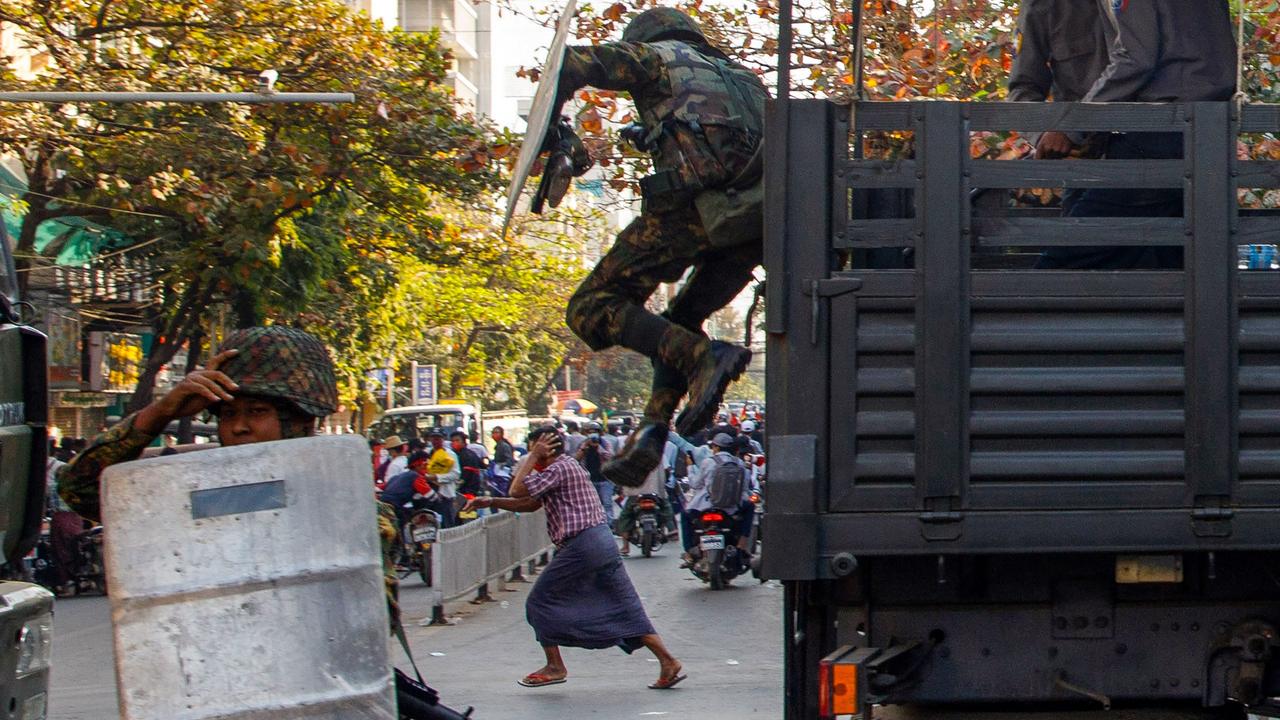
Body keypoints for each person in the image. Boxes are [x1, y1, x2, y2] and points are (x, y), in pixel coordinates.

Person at [55, 328, 410, 697]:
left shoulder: (351, 510)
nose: (238, 427)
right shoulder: (188, 497)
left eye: (257, 412)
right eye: (227, 413)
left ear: (303, 421)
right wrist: (161, 412)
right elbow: (79, 490)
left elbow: (365, 627)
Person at [558, 7, 769, 487]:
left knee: (590, 306)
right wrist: (646, 134)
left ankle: (701, 357)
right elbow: (723, 135)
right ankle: (653, 430)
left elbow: (573, 64)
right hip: (754, 225)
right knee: (674, 324)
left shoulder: (653, 59)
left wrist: (557, 129)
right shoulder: (746, 80)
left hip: (694, 213)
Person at [462, 426, 685, 690]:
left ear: (545, 450)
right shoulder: (564, 468)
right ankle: (668, 661)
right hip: (599, 542)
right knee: (625, 607)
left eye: (535, 451)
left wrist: (532, 456)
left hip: (582, 543)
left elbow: (517, 491)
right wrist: (489, 502)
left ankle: (555, 665)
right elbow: (531, 503)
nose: (531, 461)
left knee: (540, 601)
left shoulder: (559, 467)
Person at [1037, 0, 1236, 269]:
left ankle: (1015, 310)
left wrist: (1071, 126)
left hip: (1159, 133)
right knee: (1172, 263)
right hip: (1211, 134)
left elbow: (1135, 58)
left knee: (1068, 255)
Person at [1007, 0, 1113, 159]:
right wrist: (1046, 134)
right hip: (1083, 154)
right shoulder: (1045, 6)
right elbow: (1022, 89)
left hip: (1148, 140)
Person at [616, 462, 676, 557]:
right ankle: (671, 529)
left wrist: (623, 490)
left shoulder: (631, 458)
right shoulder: (657, 457)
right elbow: (665, 473)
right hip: (656, 492)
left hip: (635, 493)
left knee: (625, 516)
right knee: (667, 509)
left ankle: (625, 546)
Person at [575, 424, 615, 524]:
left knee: (607, 503)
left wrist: (599, 448)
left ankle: (609, 525)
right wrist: (585, 447)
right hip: (589, 479)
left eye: (595, 432)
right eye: (590, 432)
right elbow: (575, 459)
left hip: (605, 479)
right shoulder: (583, 444)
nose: (592, 434)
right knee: (590, 503)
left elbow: (611, 457)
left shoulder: (605, 443)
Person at [423, 430, 461, 526]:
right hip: (429, 494)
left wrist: (437, 477)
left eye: (438, 439)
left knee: (447, 523)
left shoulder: (450, 455)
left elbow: (456, 474)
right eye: (433, 438)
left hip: (445, 494)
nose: (435, 441)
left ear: (443, 439)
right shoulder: (426, 453)